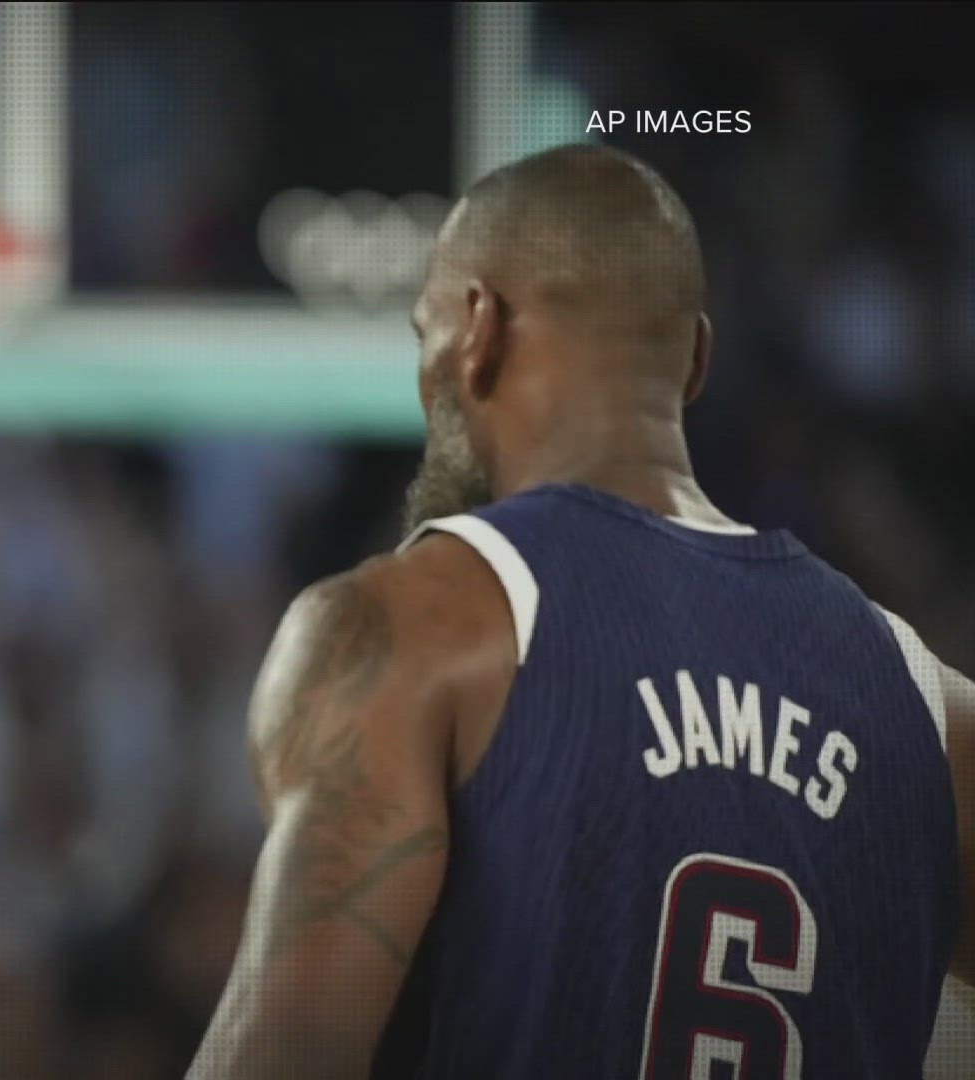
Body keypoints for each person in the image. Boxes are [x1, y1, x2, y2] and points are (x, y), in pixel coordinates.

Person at [188, 143, 975, 1077]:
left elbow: (285, 1058)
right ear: (696, 361)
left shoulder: (416, 625)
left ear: (477, 327)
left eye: (422, 331)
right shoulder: (936, 710)